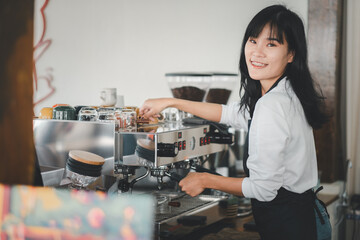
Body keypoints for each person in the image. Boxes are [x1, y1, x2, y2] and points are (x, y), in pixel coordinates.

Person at [140, 5, 331, 240]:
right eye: (253, 41)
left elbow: (263, 189)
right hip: (308, 219)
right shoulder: (288, 92)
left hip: (292, 227)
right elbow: (232, 114)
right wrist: (172, 102)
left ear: (291, 53)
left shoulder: (272, 105)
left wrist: (205, 179)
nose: (257, 52)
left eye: (271, 44)